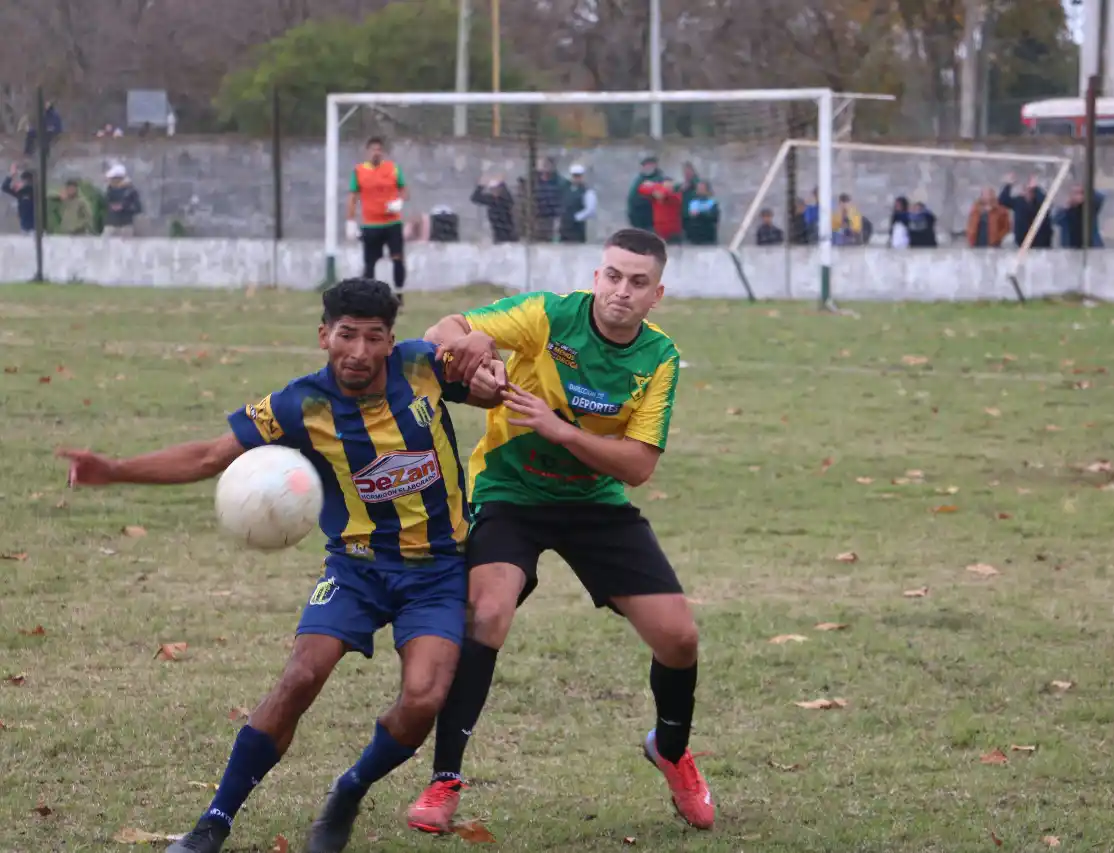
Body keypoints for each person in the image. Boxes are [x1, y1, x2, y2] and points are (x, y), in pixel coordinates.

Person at [58, 278, 506, 853]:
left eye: (375, 338)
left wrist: (486, 361)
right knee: (299, 677)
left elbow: (488, 387)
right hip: (356, 569)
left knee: (423, 698)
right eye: (347, 336)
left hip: (439, 572)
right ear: (324, 336)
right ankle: (213, 822)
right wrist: (115, 469)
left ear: (392, 341)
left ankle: (351, 787)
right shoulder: (298, 404)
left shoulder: (422, 367)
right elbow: (207, 456)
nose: (360, 352)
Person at [407, 228, 714, 833]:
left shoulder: (659, 358)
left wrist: (561, 431)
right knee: (487, 612)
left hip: (595, 502)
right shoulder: (549, 314)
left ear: (658, 294)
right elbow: (441, 332)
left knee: (679, 639)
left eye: (638, 283)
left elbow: (639, 465)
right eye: (613, 276)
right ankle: (444, 780)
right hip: (510, 492)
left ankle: (672, 750)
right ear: (596, 275)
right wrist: (473, 351)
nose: (621, 292)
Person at [346, 138, 409, 303]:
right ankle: (369, 299)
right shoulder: (359, 171)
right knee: (370, 262)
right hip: (371, 224)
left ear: (383, 152)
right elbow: (353, 197)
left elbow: (404, 191)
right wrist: (350, 221)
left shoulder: (393, 169)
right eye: (373, 149)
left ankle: (399, 295)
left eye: (379, 149)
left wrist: (399, 202)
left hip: (392, 223)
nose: (376, 152)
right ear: (367, 152)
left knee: (398, 258)